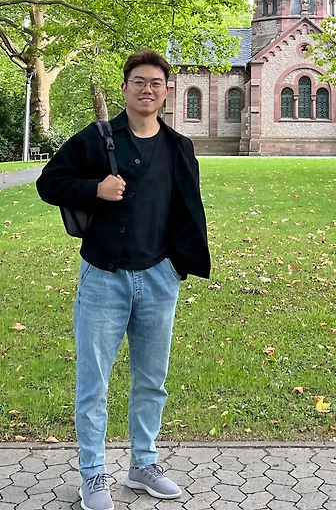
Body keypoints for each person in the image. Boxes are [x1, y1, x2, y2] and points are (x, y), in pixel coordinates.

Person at [37, 50, 211, 510]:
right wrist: (93, 189)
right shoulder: (98, 139)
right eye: (139, 81)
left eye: (156, 82)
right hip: (104, 278)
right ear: (125, 88)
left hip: (158, 278)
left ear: (167, 91)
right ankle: (93, 474)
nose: (147, 89)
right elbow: (49, 182)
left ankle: (143, 464)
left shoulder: (179, 147)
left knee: (152, 381)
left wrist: (176, 266)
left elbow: (188, 209)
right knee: (93, 383)